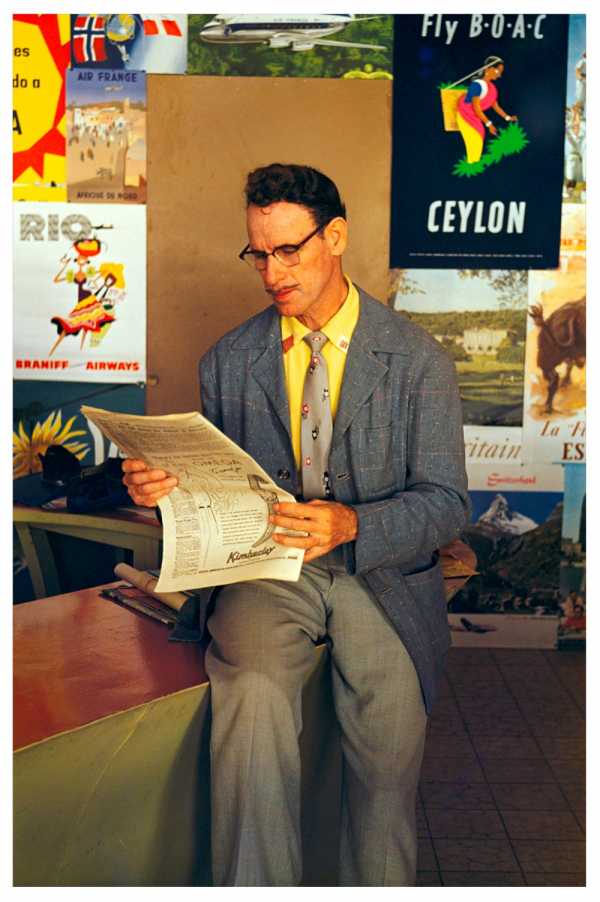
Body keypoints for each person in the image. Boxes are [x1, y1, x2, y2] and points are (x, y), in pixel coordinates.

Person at [122, 163, 470, 886]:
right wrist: (162, 494)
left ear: (335, 236)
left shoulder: (419, 362)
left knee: (385, 767)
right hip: (268, 573)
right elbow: (216, 496)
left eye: (288, 251)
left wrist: (353, 524)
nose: (271, 273)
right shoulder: (228, 361)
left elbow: (446, 502)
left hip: (383, 578)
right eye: (258, 254)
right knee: (249, 698)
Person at [456, 55, 518, 163]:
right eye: (498, 71)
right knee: (475, 138)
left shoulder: (492, 88)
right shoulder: (476, 85)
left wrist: (508, 118)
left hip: (475, 116)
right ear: (488, 69)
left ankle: (473, 162)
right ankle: (472, 163)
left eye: (501, 72)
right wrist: (489, 124)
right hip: (465, 114)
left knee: (479, 136)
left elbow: (496, 106)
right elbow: (476, 108)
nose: (499, 75)